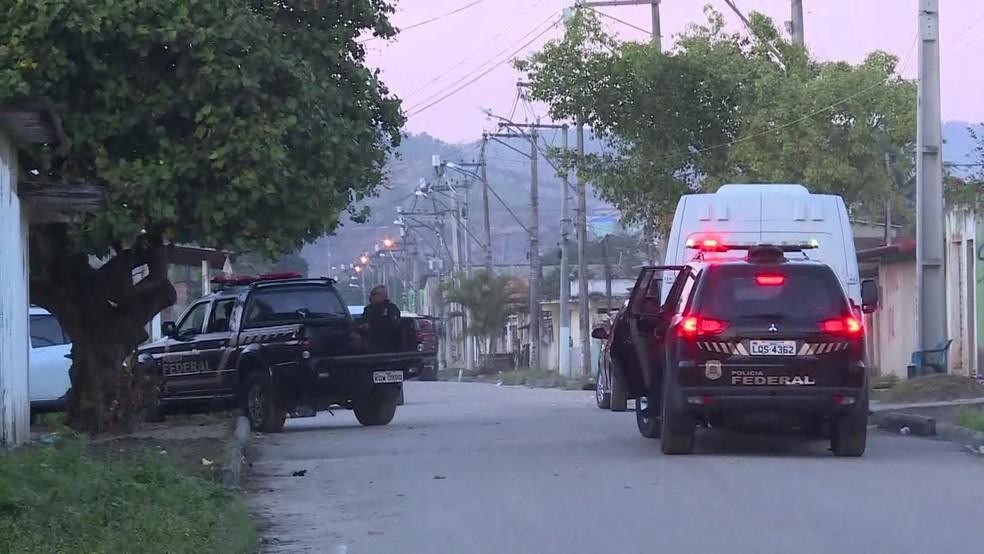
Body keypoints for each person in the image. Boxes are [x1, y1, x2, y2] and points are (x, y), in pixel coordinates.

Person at [360, 285, 402, 352]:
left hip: (386, 343)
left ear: (382, 295)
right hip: (367, 339)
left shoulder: (391, 309)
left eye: (374, 294)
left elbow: (391, 324)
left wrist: (371, 326)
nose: (371, 297)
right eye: (371, 294)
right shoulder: (368, 309)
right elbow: (362, 321)